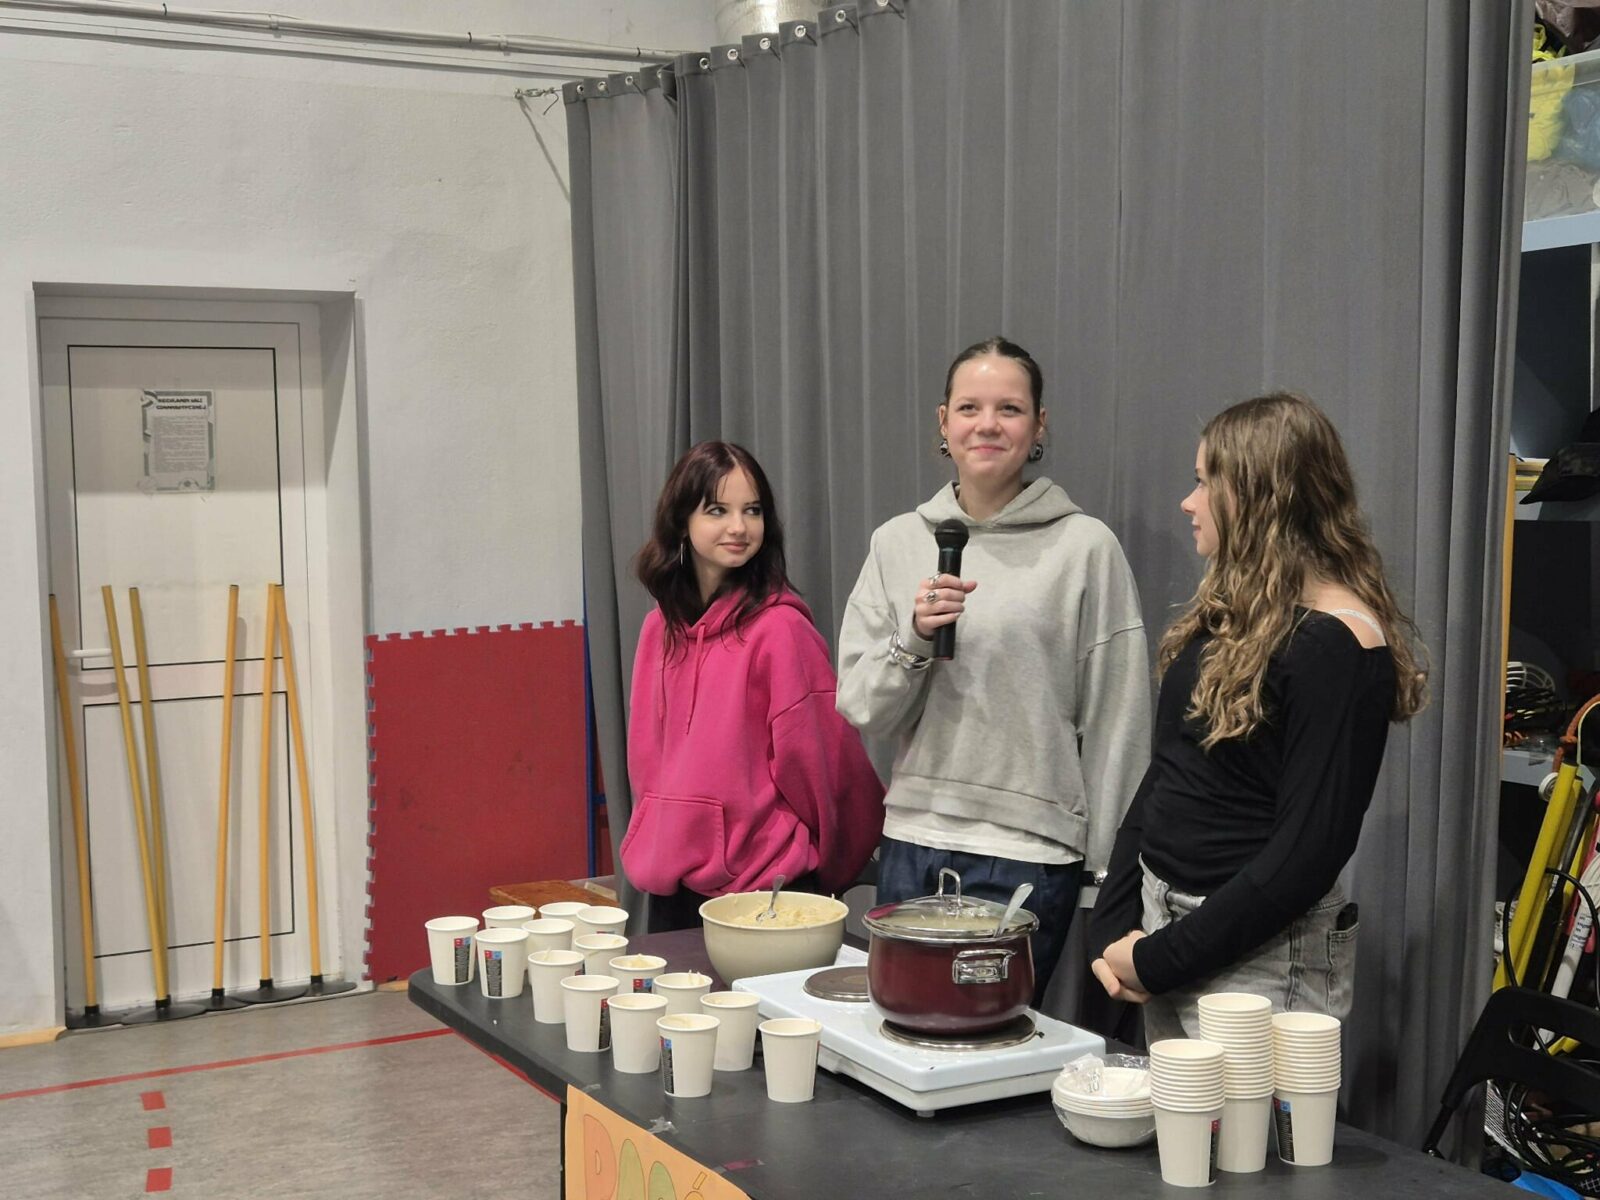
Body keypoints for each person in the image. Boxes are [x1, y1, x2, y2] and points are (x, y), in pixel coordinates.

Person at [1088, 392, 1428, 1042]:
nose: (1188, 502)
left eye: (1203, 482)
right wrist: (1113, 929)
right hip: (1165, 928)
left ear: (1258, 495)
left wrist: (1158, 960)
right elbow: (1168, 772)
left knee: (1246, 1118)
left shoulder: (1340, 644)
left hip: (1259, 959)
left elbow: (1307, 856)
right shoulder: (1236, 613)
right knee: (1182, 1115)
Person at [836, 336, 1151, 1003]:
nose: (987, 424)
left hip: (1030, 853)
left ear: (1039, 426)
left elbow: (1118, 724)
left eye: (1009, 409)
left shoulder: (1084, 547)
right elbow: (863, 706)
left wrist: (1107, 878)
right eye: (969, 407)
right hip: (913, 839)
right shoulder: (897, 542)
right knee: (904, 1033)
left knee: (998, 1039)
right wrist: (915, 638)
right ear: (943, 421)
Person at [624, 440, 885, 933]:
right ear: (681, 520)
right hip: (672, 890)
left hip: (767, 895)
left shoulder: (781, 630)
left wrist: (830, 864)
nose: (739, 527)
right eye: (717, 510)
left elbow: (826, 769)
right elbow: (646, 761)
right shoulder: (657, 630)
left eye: (753, 510)